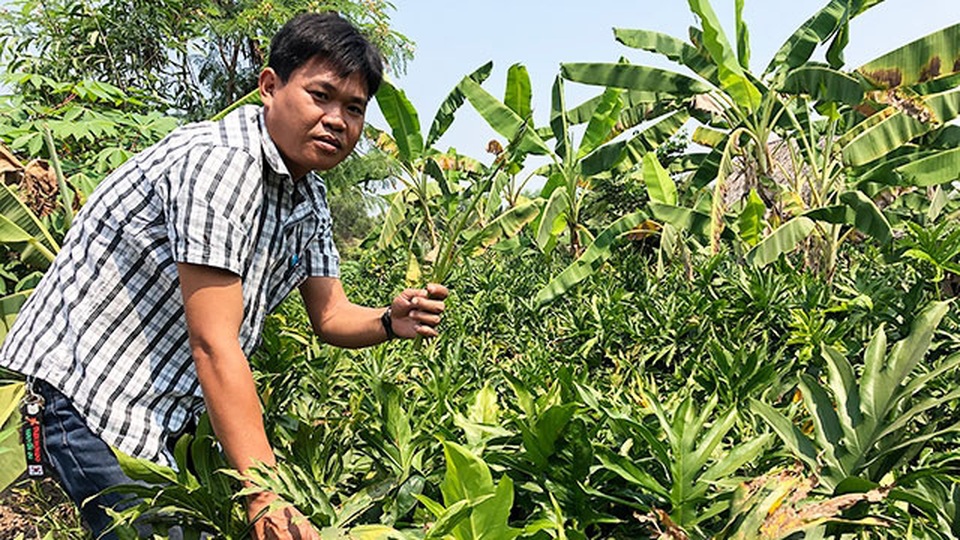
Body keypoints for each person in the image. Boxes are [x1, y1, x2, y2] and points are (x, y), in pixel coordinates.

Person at [0, 12, 446, 540]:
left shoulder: (308, 195)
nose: (336, 120)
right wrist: (265, 493)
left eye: (353, 107)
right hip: (87, 399)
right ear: (269, 86)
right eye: (320, 95)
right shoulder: (222, 163)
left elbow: (331, 315)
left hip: (165, 418)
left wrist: (389, 320)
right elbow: (213, 343)